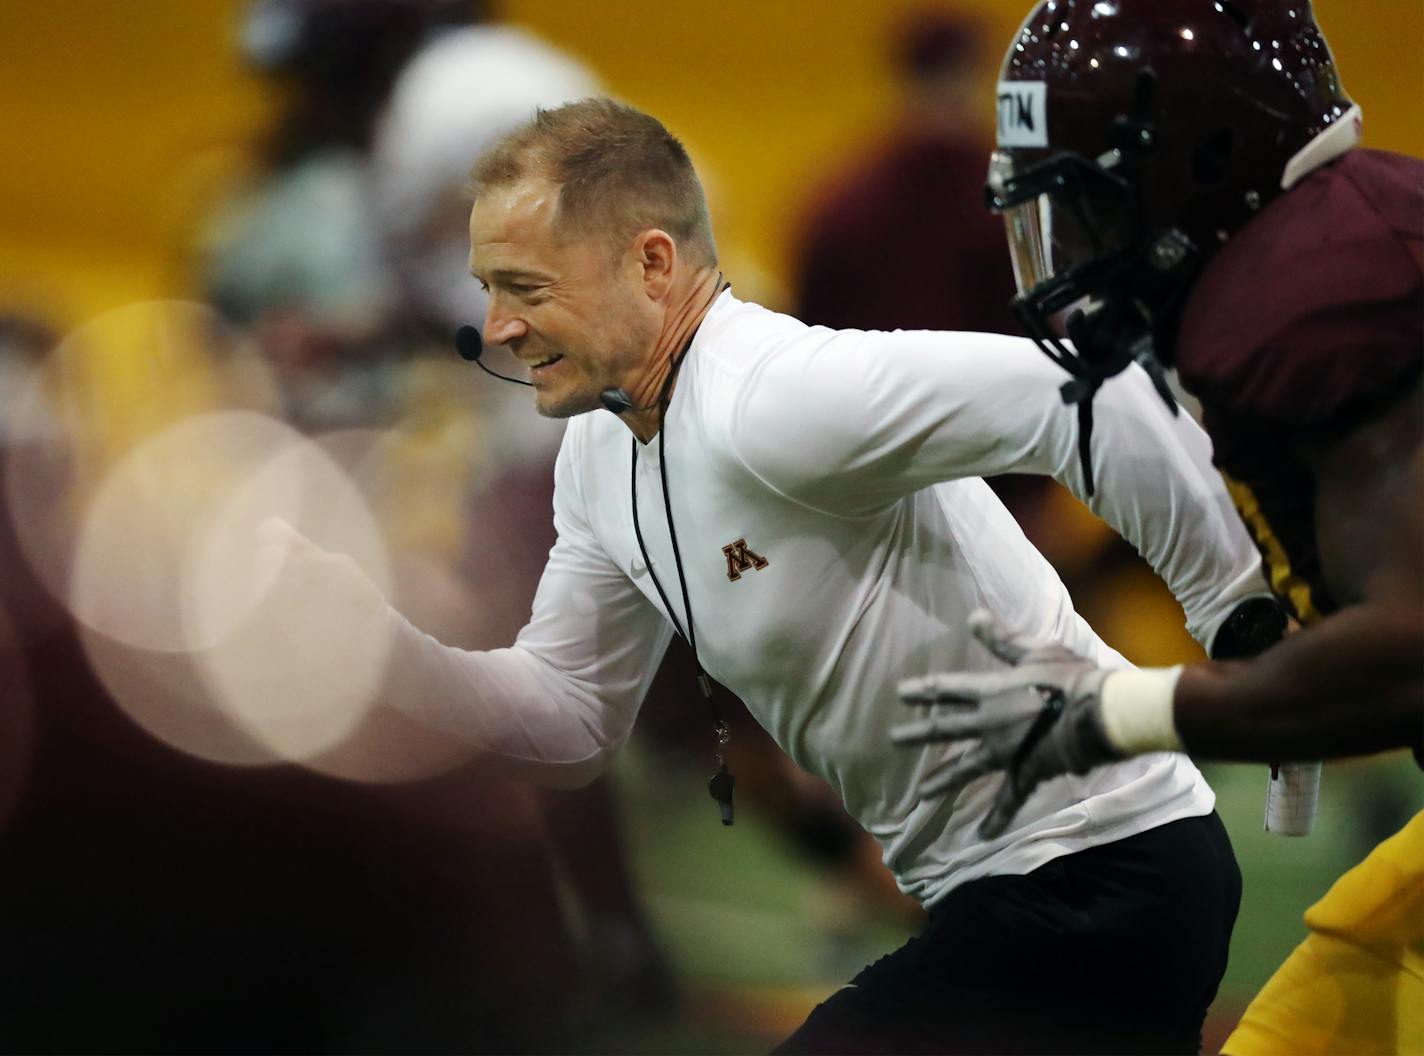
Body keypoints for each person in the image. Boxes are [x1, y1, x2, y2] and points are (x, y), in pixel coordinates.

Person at [257, 97, 1278, 1054]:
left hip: (1104, 875)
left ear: (651, 264)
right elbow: (569, 716)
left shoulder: (772, 396)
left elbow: (1081, 395)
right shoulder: (600, 454)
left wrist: (1240, 627)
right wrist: (374, 650)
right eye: (487, 289)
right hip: (1019, 889)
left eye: (525, 288)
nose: (496, 328)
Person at [891, 2, 1422, 1053]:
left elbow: (1413, 649)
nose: (1068, 254)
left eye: (1086, 207)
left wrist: (1113, 713)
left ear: (1195, 168)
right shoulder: (1352, 235)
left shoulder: (1312, 300)